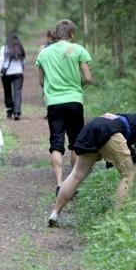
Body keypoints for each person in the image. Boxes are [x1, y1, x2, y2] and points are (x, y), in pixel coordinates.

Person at [48, 111, 136, 227]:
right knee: (129, 173)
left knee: (76, 175)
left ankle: (54, 213)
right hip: (110, 132)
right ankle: (117, 218)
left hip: (96, 126)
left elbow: (113, 117)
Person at [35, 19, 93, 196]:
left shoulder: (44, 54)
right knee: (76, 143)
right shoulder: (78, 50)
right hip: (75, 101)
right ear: (72, 34)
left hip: (54, 103)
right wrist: (78, 85)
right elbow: (88, 78)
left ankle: (60, 183)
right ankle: (72, 183)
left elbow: (40, 81)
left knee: (56, 144)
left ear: (56, 34)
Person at [0, 32, 25, 120]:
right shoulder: (19, 48)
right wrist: (22, 70)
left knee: (7, 92)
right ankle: (17, 112)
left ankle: (9, 111)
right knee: (17, 92)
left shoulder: (4, 48)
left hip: (7, 73)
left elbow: (1, 61)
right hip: (18, 73)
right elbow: (23, 61)